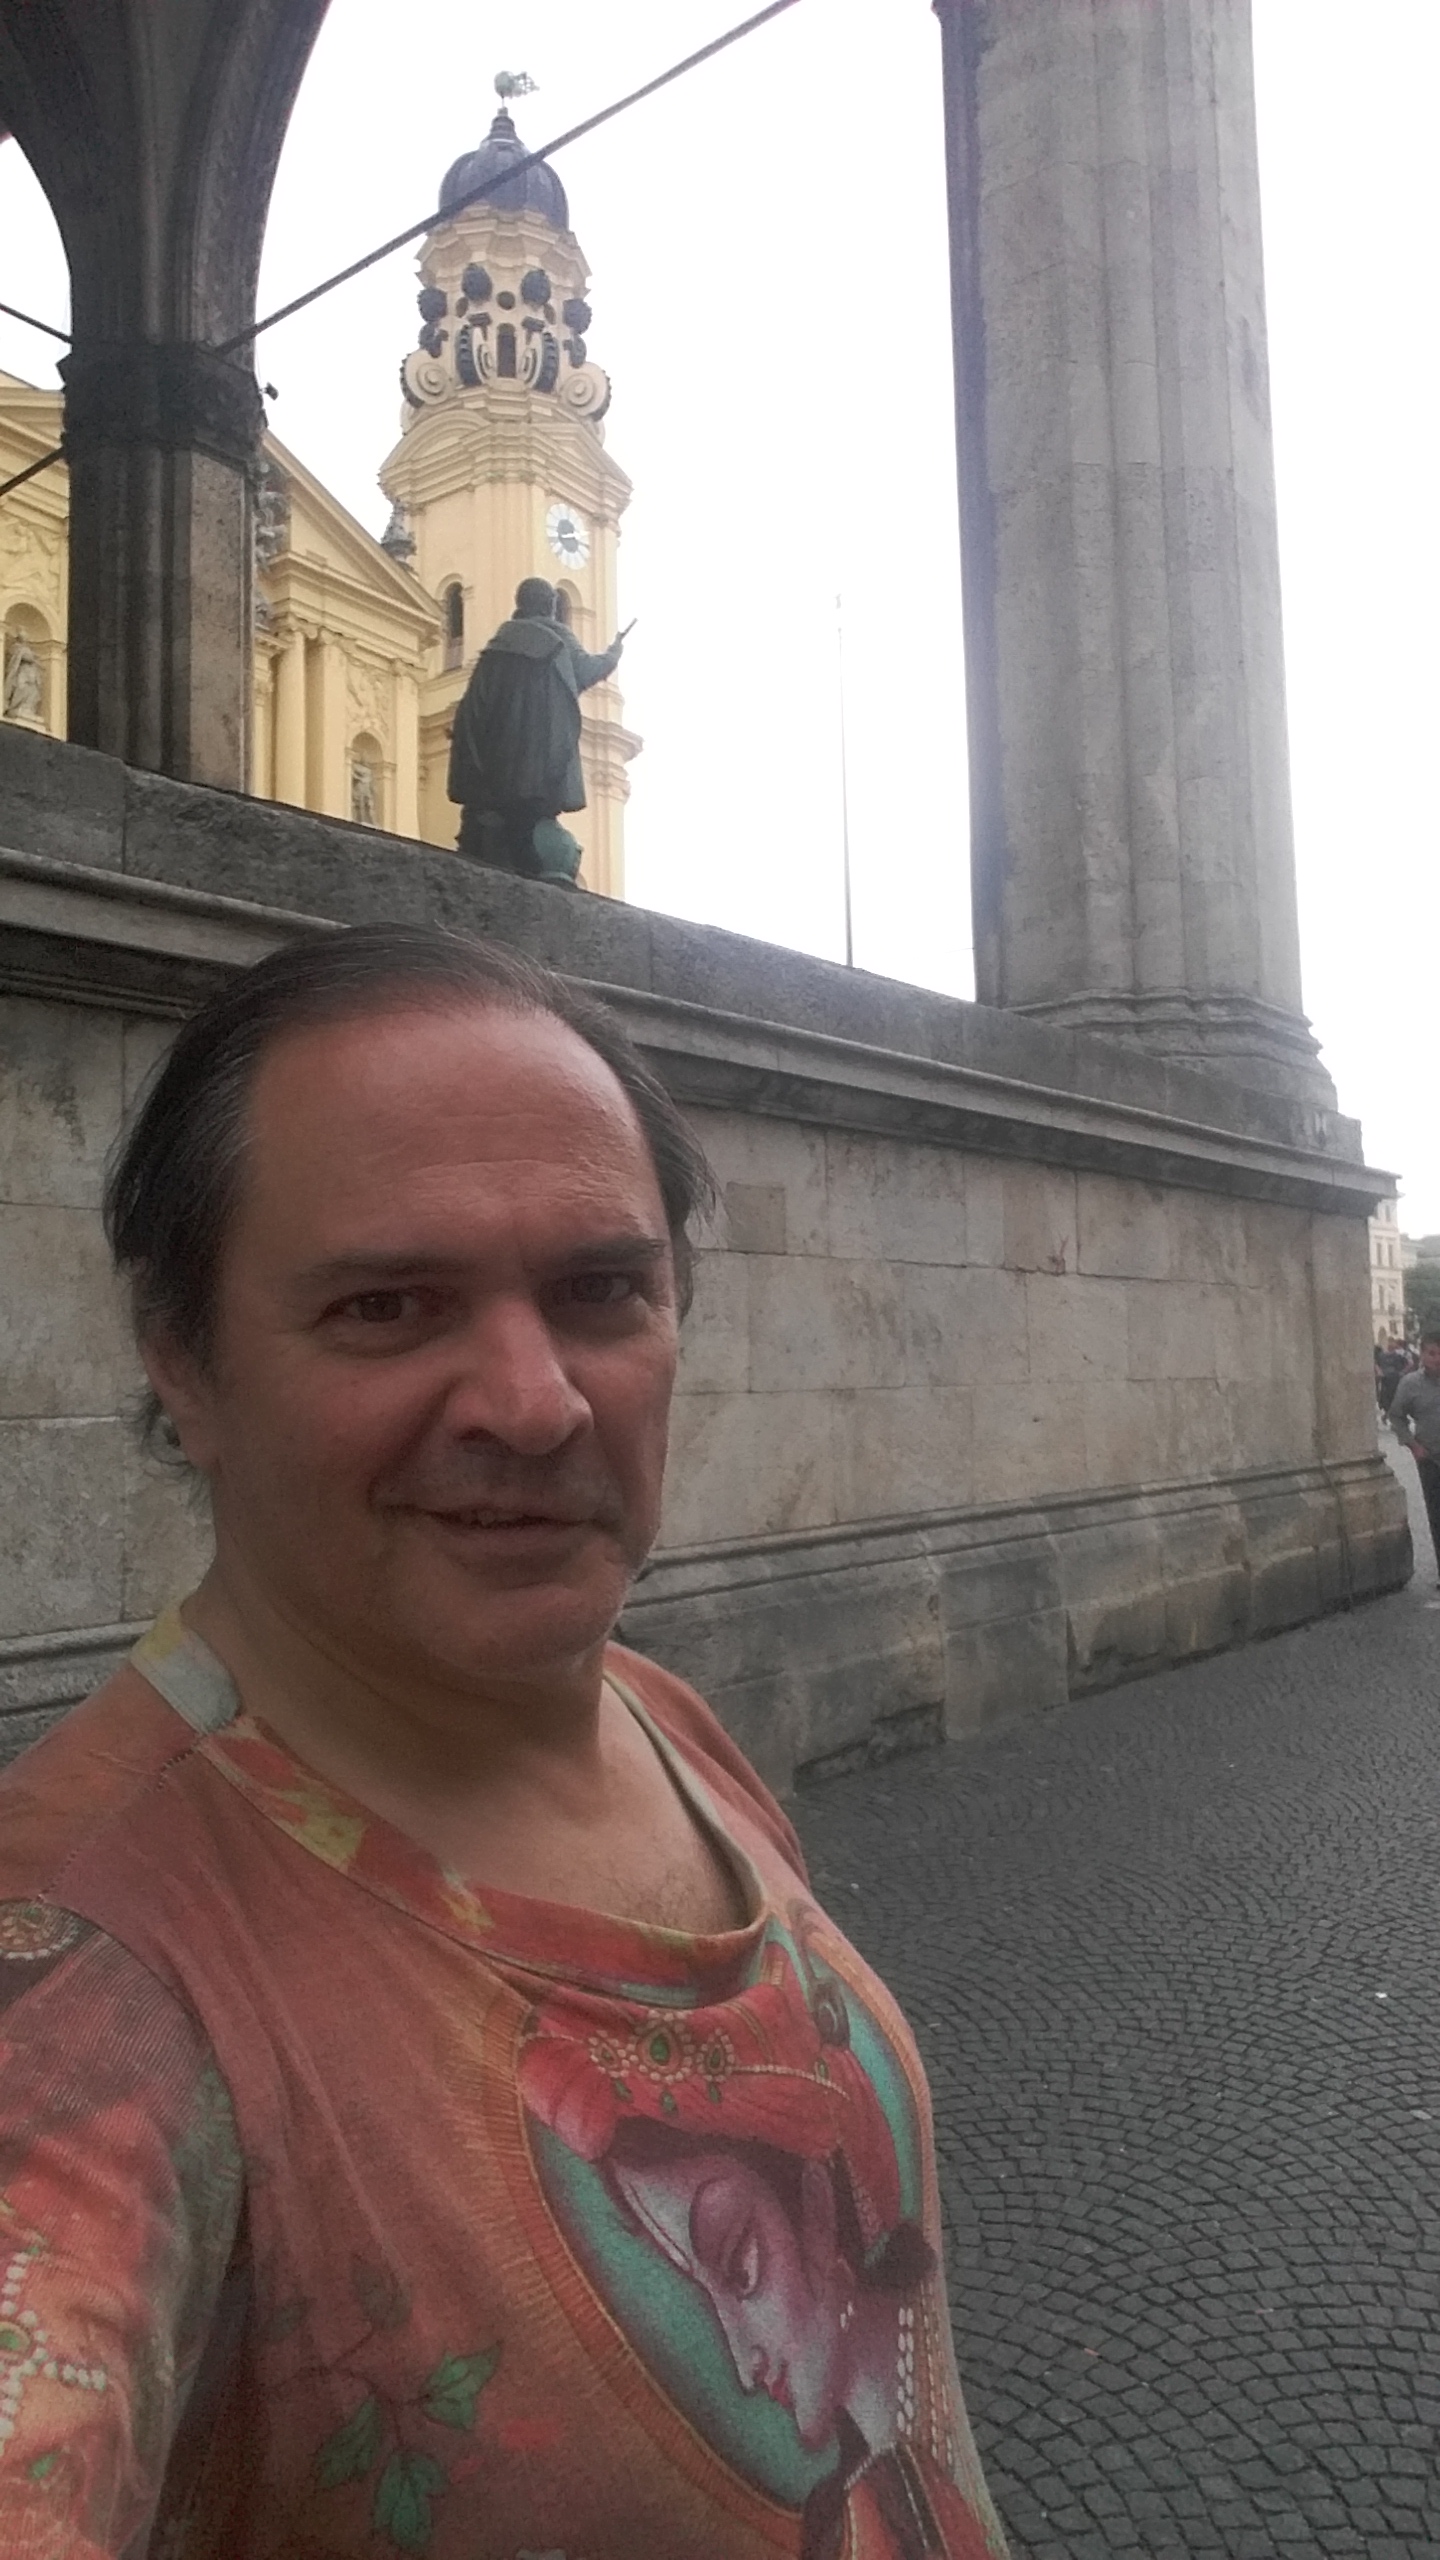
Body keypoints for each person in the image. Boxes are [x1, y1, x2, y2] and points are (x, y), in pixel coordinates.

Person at [0, 926, 1009, 2559]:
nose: (537, 1405)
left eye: (602, 1291)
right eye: (389, 1306)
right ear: (181, 1359)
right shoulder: (79, 1979)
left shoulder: (656, 1715)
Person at [446, 577, 625, 882]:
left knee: (494, 836)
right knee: (529, 837)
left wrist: (466, 748)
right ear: (550, 605)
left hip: (496, 766)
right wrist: (613, 654)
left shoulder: (498, 646)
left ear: (520, 604)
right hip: (540, 767)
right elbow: (587, 671)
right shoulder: (558, 638)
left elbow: (474, 706)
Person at [1390, 1329, 1440, 1581]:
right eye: (1432, 1353)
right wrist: (1413, 1446)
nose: (1438, 1359)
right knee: (1437, 1515)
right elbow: (1396, 1416)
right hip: (1431, 1460)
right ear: (1422, 1355)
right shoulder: (1410, 1384)